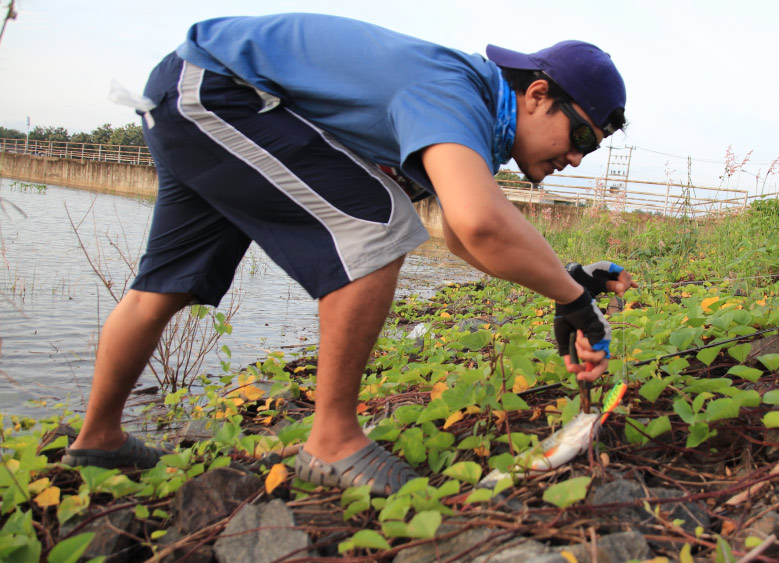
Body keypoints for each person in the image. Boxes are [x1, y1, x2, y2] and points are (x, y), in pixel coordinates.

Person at [62, 13, 637, 496]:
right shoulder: (454, 90)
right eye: (581, 138)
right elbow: (480, 222)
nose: (578, 160)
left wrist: (565, 283)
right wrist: (575, 301)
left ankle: (99, 441)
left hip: (190, 90)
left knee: (165, 284)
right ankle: (332, 441)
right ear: (538, 95)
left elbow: (465, 236)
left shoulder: (471, 112)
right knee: (376, 222)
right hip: (217, 90)